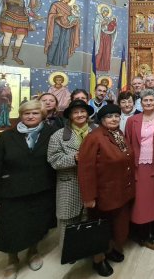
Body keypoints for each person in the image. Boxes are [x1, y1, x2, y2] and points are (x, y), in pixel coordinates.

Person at [0, 100, 56, 279]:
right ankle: (12, 259)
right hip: (12, 190)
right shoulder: (6, 137)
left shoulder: (52, 134)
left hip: (41, 188)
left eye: (35, 113)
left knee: (36, 223)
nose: (30, 116)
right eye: (26, 113)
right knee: (10, 226)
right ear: (21, 115)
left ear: (42, 116)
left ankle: (33, 251)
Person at [78, 104, 135, 276]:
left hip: (119, 191)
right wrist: (88, 196)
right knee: (100, 228)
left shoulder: (118, 134)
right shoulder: (94, 137)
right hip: (102, 194)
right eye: (109, 116)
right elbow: (85, 168)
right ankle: (98, 259)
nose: (114, 119)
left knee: (114, 226)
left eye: (116, 116)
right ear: (102, 120)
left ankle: (109, 250)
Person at [47, 100, 96, 244]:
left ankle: (88, 250)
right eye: (75, 112)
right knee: (68, 219)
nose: (80, 115)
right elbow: (53, 159)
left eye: (82, 111)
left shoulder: (98, 131)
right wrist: (74, 158)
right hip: (69, 183)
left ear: (87, 114)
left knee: (91, 217)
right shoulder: (58, 135)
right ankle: (69, 251)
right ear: (70, 116)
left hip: (93, 183)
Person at [125, 89, 154, 245]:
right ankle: (141, 231)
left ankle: (153, 231)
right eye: (145, 101)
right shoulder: (132, 120)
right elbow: (127, 142)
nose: (148, 103)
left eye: (151, 100)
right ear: (140, 103)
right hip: (138, 167)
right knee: (140, 202)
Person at [45, 0, 81, 68]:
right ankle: (49, 61)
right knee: (55, 42)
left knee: (66, 43)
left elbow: (72, 17)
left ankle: (64, 61)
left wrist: (75, 21)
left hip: (68, 27)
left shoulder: (70, 8)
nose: (66, 0)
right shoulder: (56, 5)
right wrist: (57, 15)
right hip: (57, 24)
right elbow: (51, 15)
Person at [94, 4, 117, 72]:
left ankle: (105, 67)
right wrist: (101, 24)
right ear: (102, 12)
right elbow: (97, 26)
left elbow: (112, 28)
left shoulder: (109, 19)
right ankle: (97, 66)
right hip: (101, 37)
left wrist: (113, 25)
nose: (105, 14)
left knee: (107, 52)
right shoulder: (99, 18)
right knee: (100, 51)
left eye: (107, 13)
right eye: (104, 12)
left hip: (108, 38)